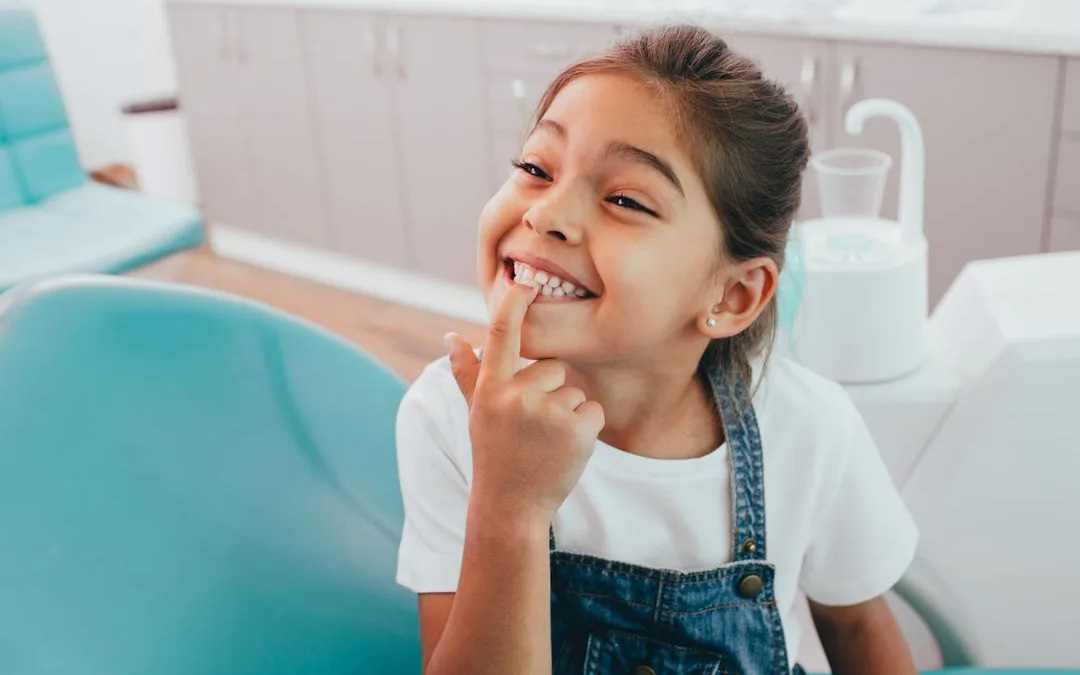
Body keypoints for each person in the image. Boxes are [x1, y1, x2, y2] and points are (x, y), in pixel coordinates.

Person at [395, 24, 919, 675]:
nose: (545, 213)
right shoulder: (448, 415)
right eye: (535, 168)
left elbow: (860, 625)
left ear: (731, 296)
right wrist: (510, 506)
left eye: (623, 198)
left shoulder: (813, 429)